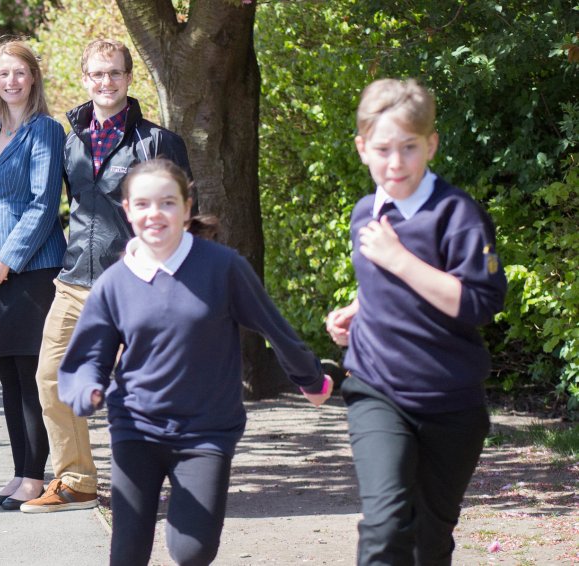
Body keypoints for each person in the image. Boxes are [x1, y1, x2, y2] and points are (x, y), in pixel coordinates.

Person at [59, 159, 333, 565]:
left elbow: (275, 328)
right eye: (144, 204)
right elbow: (88, 356)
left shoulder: (222, 267)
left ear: (187, 208)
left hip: (206, 433)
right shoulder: (115, 282)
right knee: (128, 552)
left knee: (192, 551)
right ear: (128, 211)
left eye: (168, 203)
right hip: (136, 427)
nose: (156, 214)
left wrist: (311, 380)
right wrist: (86, 390)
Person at [325, 78, 507, 565]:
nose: (395, 163)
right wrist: (358, 311)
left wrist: (399, 259)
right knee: (385, 527)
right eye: (383, 149)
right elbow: (385, 286)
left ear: (431, 144)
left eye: (409, 148)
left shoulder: (458, 215)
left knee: (430, 540)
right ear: (363, 148)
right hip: (376, 387)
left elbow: (479, 303)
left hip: (450, 401)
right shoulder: (366, 214)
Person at [21, 38, 192, 514]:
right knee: (51, 377)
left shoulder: (157, 141)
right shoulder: (68, 138)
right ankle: (75, 479)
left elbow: (182, 216)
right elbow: (45, 202)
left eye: (114, 73)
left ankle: (154, 478)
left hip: (136, 284)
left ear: (128, 77)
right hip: (75, 281)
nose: (106, 82)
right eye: (97, 74)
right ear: (84, 78)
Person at [0, 39, 65, 511]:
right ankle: (20, 471)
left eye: (19, 73)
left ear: (33, 78)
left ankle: (35, 477)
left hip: (32, 272)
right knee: (8, 377)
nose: (11, 81)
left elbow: (45, 204)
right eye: (3, 73)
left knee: (32, 377)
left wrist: (8, 259)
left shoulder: (45, 131)